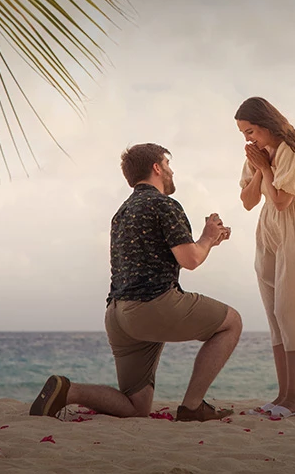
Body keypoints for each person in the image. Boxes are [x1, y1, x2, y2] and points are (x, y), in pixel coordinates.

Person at [29, 143, 244, 422]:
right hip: (152, 307)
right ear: (157, 167)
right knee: (232, 322)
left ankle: (70, 391)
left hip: (118, 316)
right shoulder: (164, 204)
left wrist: (208, 241)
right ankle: (192, 407)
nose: (171, 170)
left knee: (136, 408)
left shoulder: (121, 212)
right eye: (167, 163)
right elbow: (190, 259)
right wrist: (207, 236)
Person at [235, 97, 295, 419]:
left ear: (265, 124)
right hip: (269, 228)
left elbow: (281, 201)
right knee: (274, 312)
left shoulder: (292, 150)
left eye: (250, 131)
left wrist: (263, 167)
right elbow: (249, 201)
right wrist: (258, 168)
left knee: (291, 308)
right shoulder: (257, 154)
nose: (248, 139)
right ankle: (282, 395)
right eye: (243, 133)